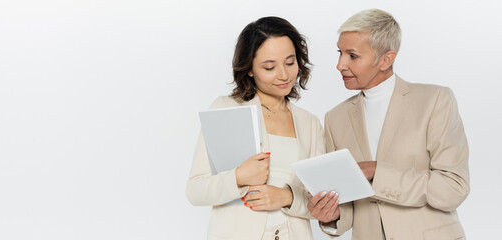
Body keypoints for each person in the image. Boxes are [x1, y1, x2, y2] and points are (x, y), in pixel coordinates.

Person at [306, 9, 470, 239]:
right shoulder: (335, 118)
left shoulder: (434, 100)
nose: (340, 65)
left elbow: (453, 188)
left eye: (352, 56)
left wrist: (378, 172)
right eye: (340, 53)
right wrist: (331, 215)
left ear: (386, 60)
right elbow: (348, 204)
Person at [186, 16, 324, 240]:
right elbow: (195, 191)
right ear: (249, 69)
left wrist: (288, 197)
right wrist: (239, 177)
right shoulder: (226, 109)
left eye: (290, 62)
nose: (284, 75)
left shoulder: (310, 123)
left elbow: (321, 201)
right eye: (269, 67)